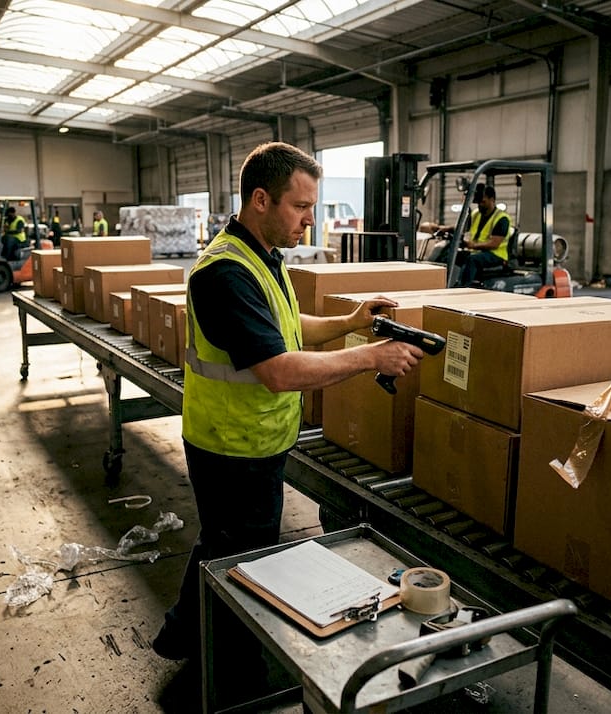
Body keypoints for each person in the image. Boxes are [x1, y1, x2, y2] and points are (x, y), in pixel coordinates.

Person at [151, 142, 424, 665]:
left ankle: (184, 636)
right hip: (231, 446)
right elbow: (278, 371)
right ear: (260, 199)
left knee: (224, 543)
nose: (308, 221)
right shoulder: (224, 273)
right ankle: (223, 663)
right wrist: (372, 357)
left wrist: (350, 322)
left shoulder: (262, 257)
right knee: (241, 555)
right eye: (300, 208)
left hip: (255, 439)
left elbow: (286, 331)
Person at [458, 183, 513, 286]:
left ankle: (464, 287)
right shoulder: (476, 214)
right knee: (453, 255)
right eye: (478, 202)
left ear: (492, 199)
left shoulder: (502, 219)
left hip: (496, 254)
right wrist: (442, 228)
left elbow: (494, 244)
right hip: (478, 251)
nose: (480, 205)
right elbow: (463, 228)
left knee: (472, 260)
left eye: (483, 202)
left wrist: (473, 245)